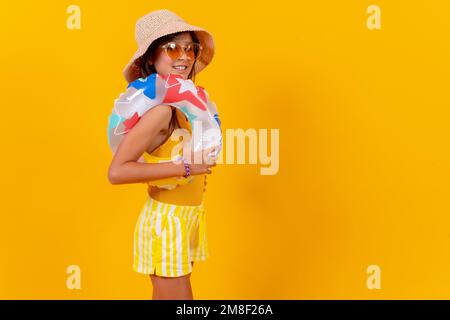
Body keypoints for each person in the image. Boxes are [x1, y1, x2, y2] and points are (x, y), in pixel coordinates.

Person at [108, 9, 217, 300]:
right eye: (172, 47)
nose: (184, 56)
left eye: (190, 48)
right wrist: (185, 167)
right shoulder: (160, 112)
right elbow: (117, 172)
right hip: (167, 221)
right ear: (150, 58)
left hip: (189, 217)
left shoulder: (185, 109)